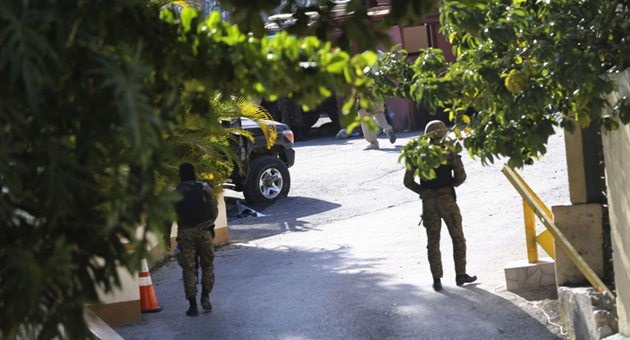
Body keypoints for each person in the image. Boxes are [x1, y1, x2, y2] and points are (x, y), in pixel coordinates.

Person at [403, 120, 477, 291]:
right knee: (457, 237)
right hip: (446, 199)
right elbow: (461, 176)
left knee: (433, 241)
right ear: (443, 133)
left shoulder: (418, 152)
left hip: (428, 202)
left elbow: (407, 181)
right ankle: (460, 274)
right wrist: (451, 184)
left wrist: (423, 191)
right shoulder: (448, 150)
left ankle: (437, 279)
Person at [165, 163, 219, 316]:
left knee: (188, 269)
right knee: (207, 264)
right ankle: (205, 296)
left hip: (185, 234)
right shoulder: (204, 188)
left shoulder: (174, 192)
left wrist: (166, 236)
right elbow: (214, 209)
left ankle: (193, 306)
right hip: (204, 232)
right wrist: (208, 224)